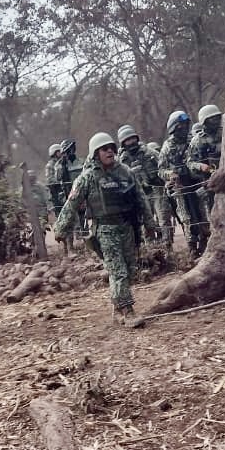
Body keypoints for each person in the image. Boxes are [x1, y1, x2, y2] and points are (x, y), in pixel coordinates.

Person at [54, 133, 152, 323]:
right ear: (95, 153)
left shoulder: (126, 172)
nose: (109, 151)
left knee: (130, 269)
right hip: (105, 229)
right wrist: (61, 228)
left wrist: (149, 223)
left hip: (127, 226)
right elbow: (71, 204)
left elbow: (141, 199)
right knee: (118, 271)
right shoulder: (87, 178)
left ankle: (117, 307)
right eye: (104, 149)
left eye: (111, 148)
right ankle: (128, 311)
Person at [159, 110, 211, 256]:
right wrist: (170, 175)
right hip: (180, 187)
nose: (184, 128)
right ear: (174, 127)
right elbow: (161, 170)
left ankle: (205, 241)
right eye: (181, 125)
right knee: (186, 217)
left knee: (201, 213)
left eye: (186, 125)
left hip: (196, 183)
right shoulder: (167, 147)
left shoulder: (192, 141)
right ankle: (192, 247)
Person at [117, 124, 167, 242]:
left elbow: (163, 165)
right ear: (123, 144)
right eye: (128, 140)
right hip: (138, 194)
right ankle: (150, 247)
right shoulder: (121, 161)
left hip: (156, 189)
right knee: (146, 222)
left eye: (133, 139)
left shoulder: (149, 152)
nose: (131, 142)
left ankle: (167, 244)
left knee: (163, 218)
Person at [189, 104, 222, 212]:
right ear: (205, 121)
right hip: (210, 182)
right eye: (212, 119)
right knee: (214, 213)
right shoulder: (197, 140)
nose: (216, 121)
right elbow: (189, 162)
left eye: (217, 117)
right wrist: (200, 166)